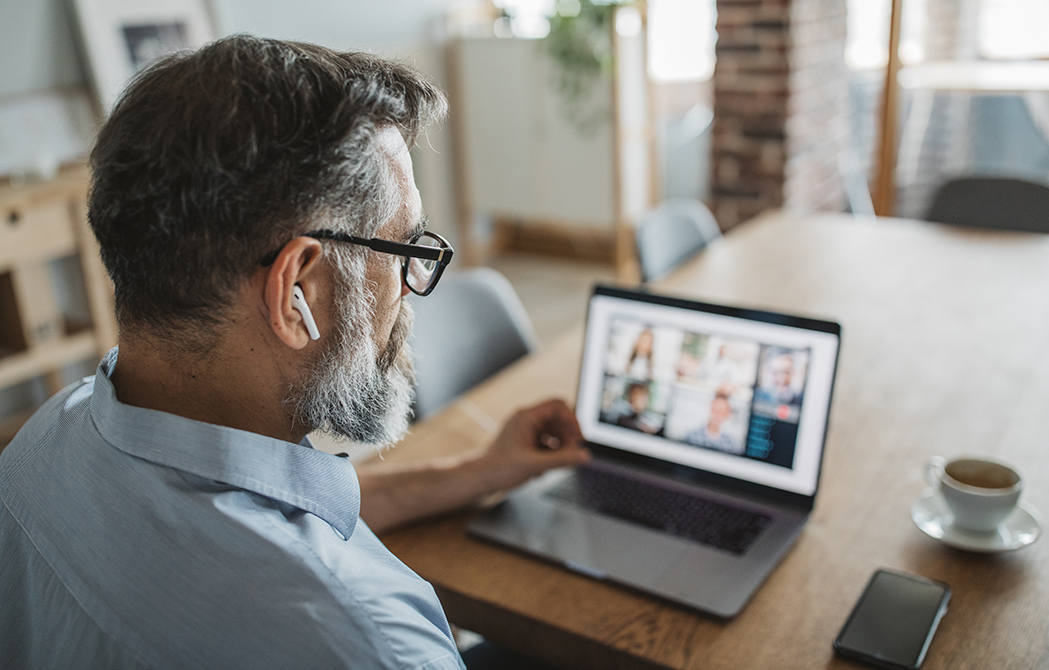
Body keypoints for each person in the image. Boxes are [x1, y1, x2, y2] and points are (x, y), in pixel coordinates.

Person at [0, 36, 590, 669]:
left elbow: (259, 508)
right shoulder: (371, 644)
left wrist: (476, 472)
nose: (412, 294)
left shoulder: (39, 445)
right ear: (296, 294)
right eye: (406, 251)